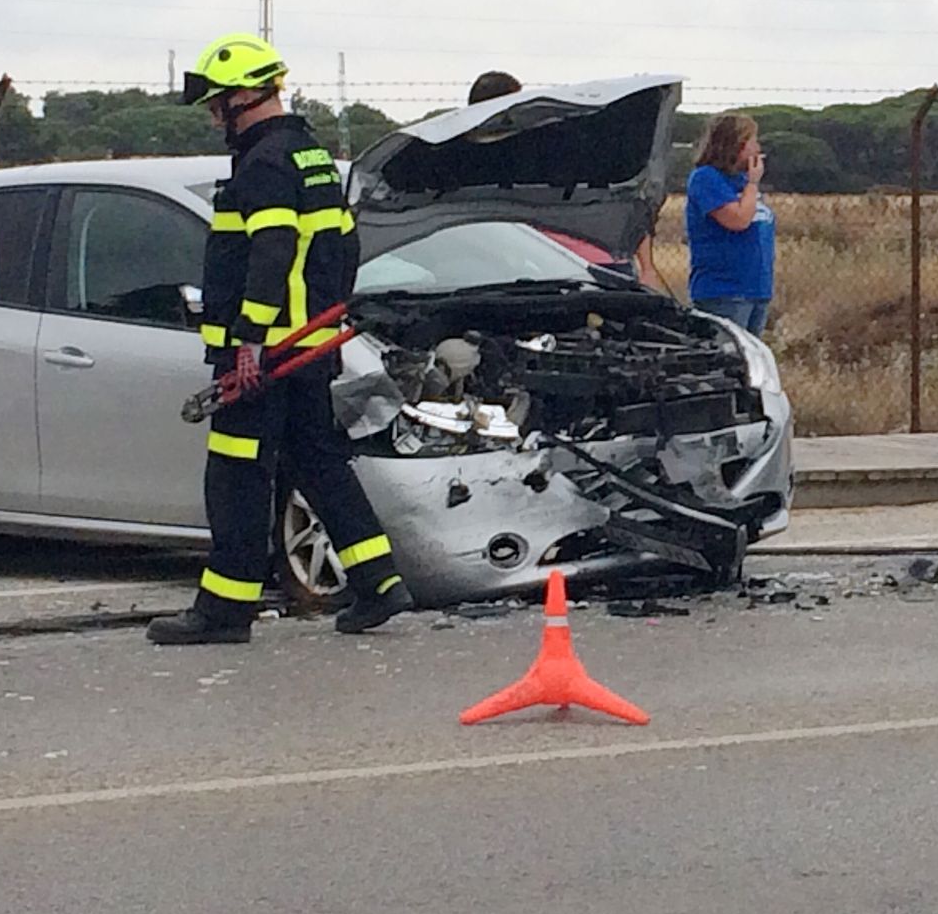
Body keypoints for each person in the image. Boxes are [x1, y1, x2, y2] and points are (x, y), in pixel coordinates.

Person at [147, 34, 412, 646]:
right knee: (316, 461)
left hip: (265, 353)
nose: (214, 118)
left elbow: (272, 250)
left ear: (244, 96)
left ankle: (223, 610)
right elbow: (341, 248)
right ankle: (377, 581)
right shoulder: (310, 156)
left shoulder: (263, 165)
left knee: (237, 477)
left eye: (217, 105)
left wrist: (247, 341)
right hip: (305, 346)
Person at [467, 68, 670, 293]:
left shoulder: (546, 148)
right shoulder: (493, 158)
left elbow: (629, 207)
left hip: (582, 264)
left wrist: (647, 268)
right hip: (538, 267)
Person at [684, 113, 774, 335]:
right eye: (752, 141)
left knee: (752, 362)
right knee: (729, 359)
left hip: (755, 289)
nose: (757, 147)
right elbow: (738, 220)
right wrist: (753, 183)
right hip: (724, 291)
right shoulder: (707, 178)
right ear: (736, 145)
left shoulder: (741, 181)